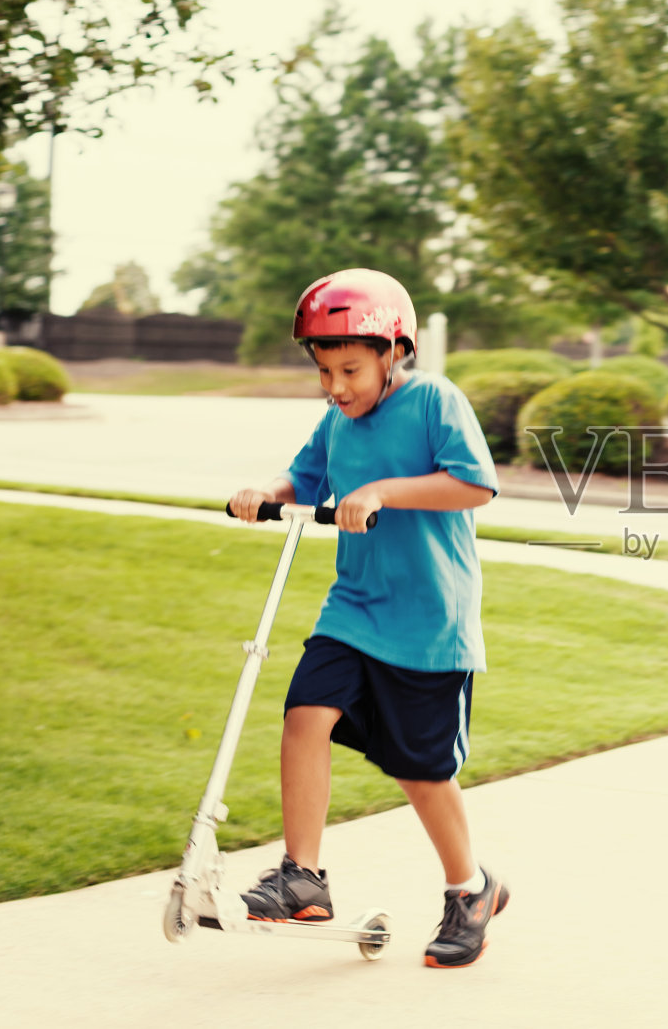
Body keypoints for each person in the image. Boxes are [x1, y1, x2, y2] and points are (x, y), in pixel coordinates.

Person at [227, 268, 507, 968]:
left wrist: (384, 489)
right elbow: (305, 478)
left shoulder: (435, 401)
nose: (336, 387)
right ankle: (303, 874)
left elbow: (474, 483)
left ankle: (469, 887)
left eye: (350, 369)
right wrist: (267, 490)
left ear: (393, 353)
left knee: (421, 771)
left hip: (428, 621)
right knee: (304, 712)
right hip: (352, 607)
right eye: (324, 371)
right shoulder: (335, 422)